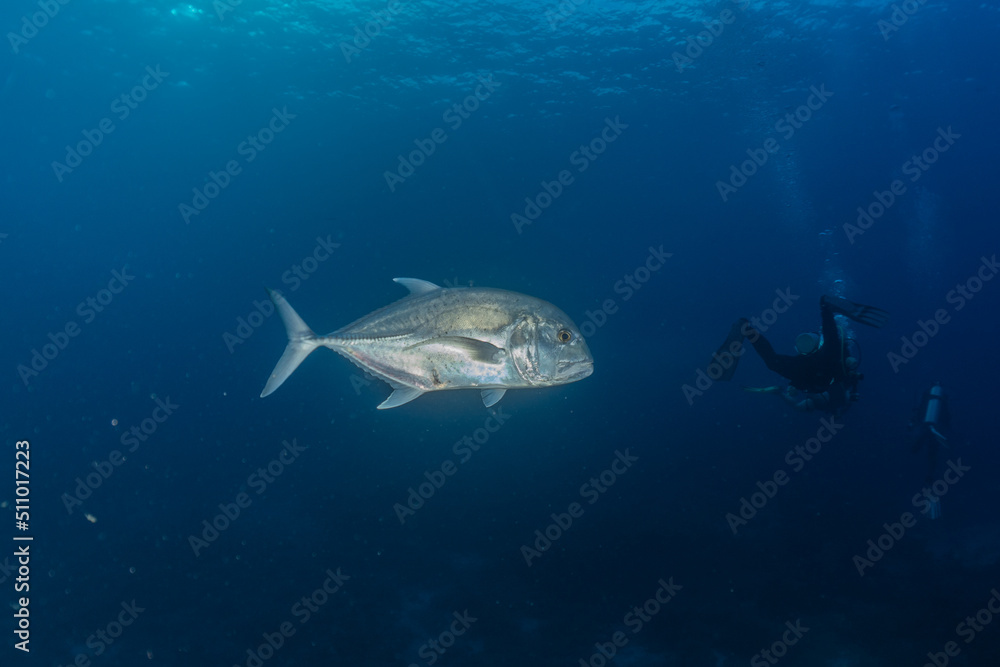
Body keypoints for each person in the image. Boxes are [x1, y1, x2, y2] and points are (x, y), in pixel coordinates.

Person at [713, 295, 888, 395]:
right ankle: (826, 308)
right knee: (831, 347)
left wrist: (792, 388)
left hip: (810, 366)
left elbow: (799, 382)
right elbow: (845, 371)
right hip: (826, 363)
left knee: (773, 362)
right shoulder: (840, 378)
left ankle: (747, 330)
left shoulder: (810, 380)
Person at [909, 382, 950, 518]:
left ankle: (926, 481)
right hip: (935, 429)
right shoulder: (941, 397)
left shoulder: (924, 394)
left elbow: (916, 411)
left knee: (916, 448)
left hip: (924, 426)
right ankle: (930, 482)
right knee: (932, 456)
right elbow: (946, 417)